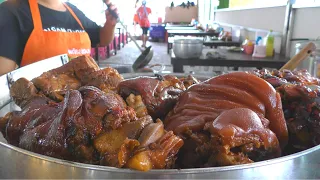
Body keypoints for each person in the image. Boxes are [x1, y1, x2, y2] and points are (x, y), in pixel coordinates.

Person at [0, 0, 119, 76]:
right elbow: (4, 74)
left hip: (84, 102)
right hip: (40, 108)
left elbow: (102, 39)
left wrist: (110, 24)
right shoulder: (13, 11)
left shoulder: (74, 12)